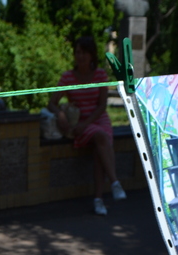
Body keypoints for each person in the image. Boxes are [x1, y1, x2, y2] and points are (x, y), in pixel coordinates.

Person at [48, 35, 126, 216]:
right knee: (101, 138)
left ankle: (99, 200)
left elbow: (102, 106)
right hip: (78, 124)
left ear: (92, 55)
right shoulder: (68, 77)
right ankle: (114, 183)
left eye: (84, 52)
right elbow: (52, 102)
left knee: (100, 146)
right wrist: (60, 114)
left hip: (97, 119)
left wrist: (87, 123)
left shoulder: (100, 75)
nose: (80, 56)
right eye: (77, 52)